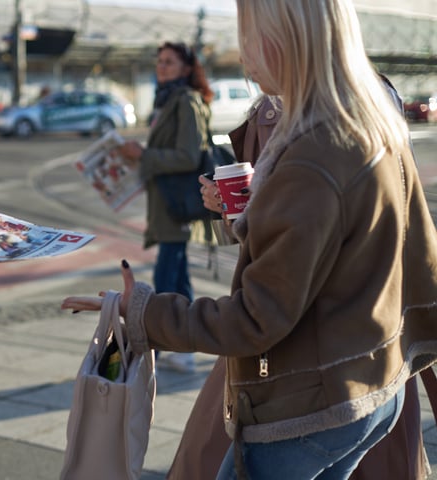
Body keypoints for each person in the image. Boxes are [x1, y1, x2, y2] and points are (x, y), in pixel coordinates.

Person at [63, 0, 437, 478]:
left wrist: (143, 313)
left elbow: (254, 321)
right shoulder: (366, 121)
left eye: (249, 36)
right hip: (372, 384)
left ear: (291, 38)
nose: (242, 57)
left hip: (307, 405)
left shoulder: (312, 153)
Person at [171, 92, 431, 479]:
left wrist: (144, 316)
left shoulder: (333, 106)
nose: (247, 58)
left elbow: (294, 249)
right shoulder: (283, 105)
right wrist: (232, 212)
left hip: (318, 348)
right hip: (344, 337)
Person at [115, 41, 214, 374]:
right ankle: (185, 346)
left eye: (170, 62)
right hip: (167, 202)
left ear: (186, 69)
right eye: (159, 62)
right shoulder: (168, 100)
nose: (162, 67)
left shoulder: (186, 101)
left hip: (178, 204)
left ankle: (170, 344)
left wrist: (143, 155)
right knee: (178, 272)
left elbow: (189, 156)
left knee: (166, 275)